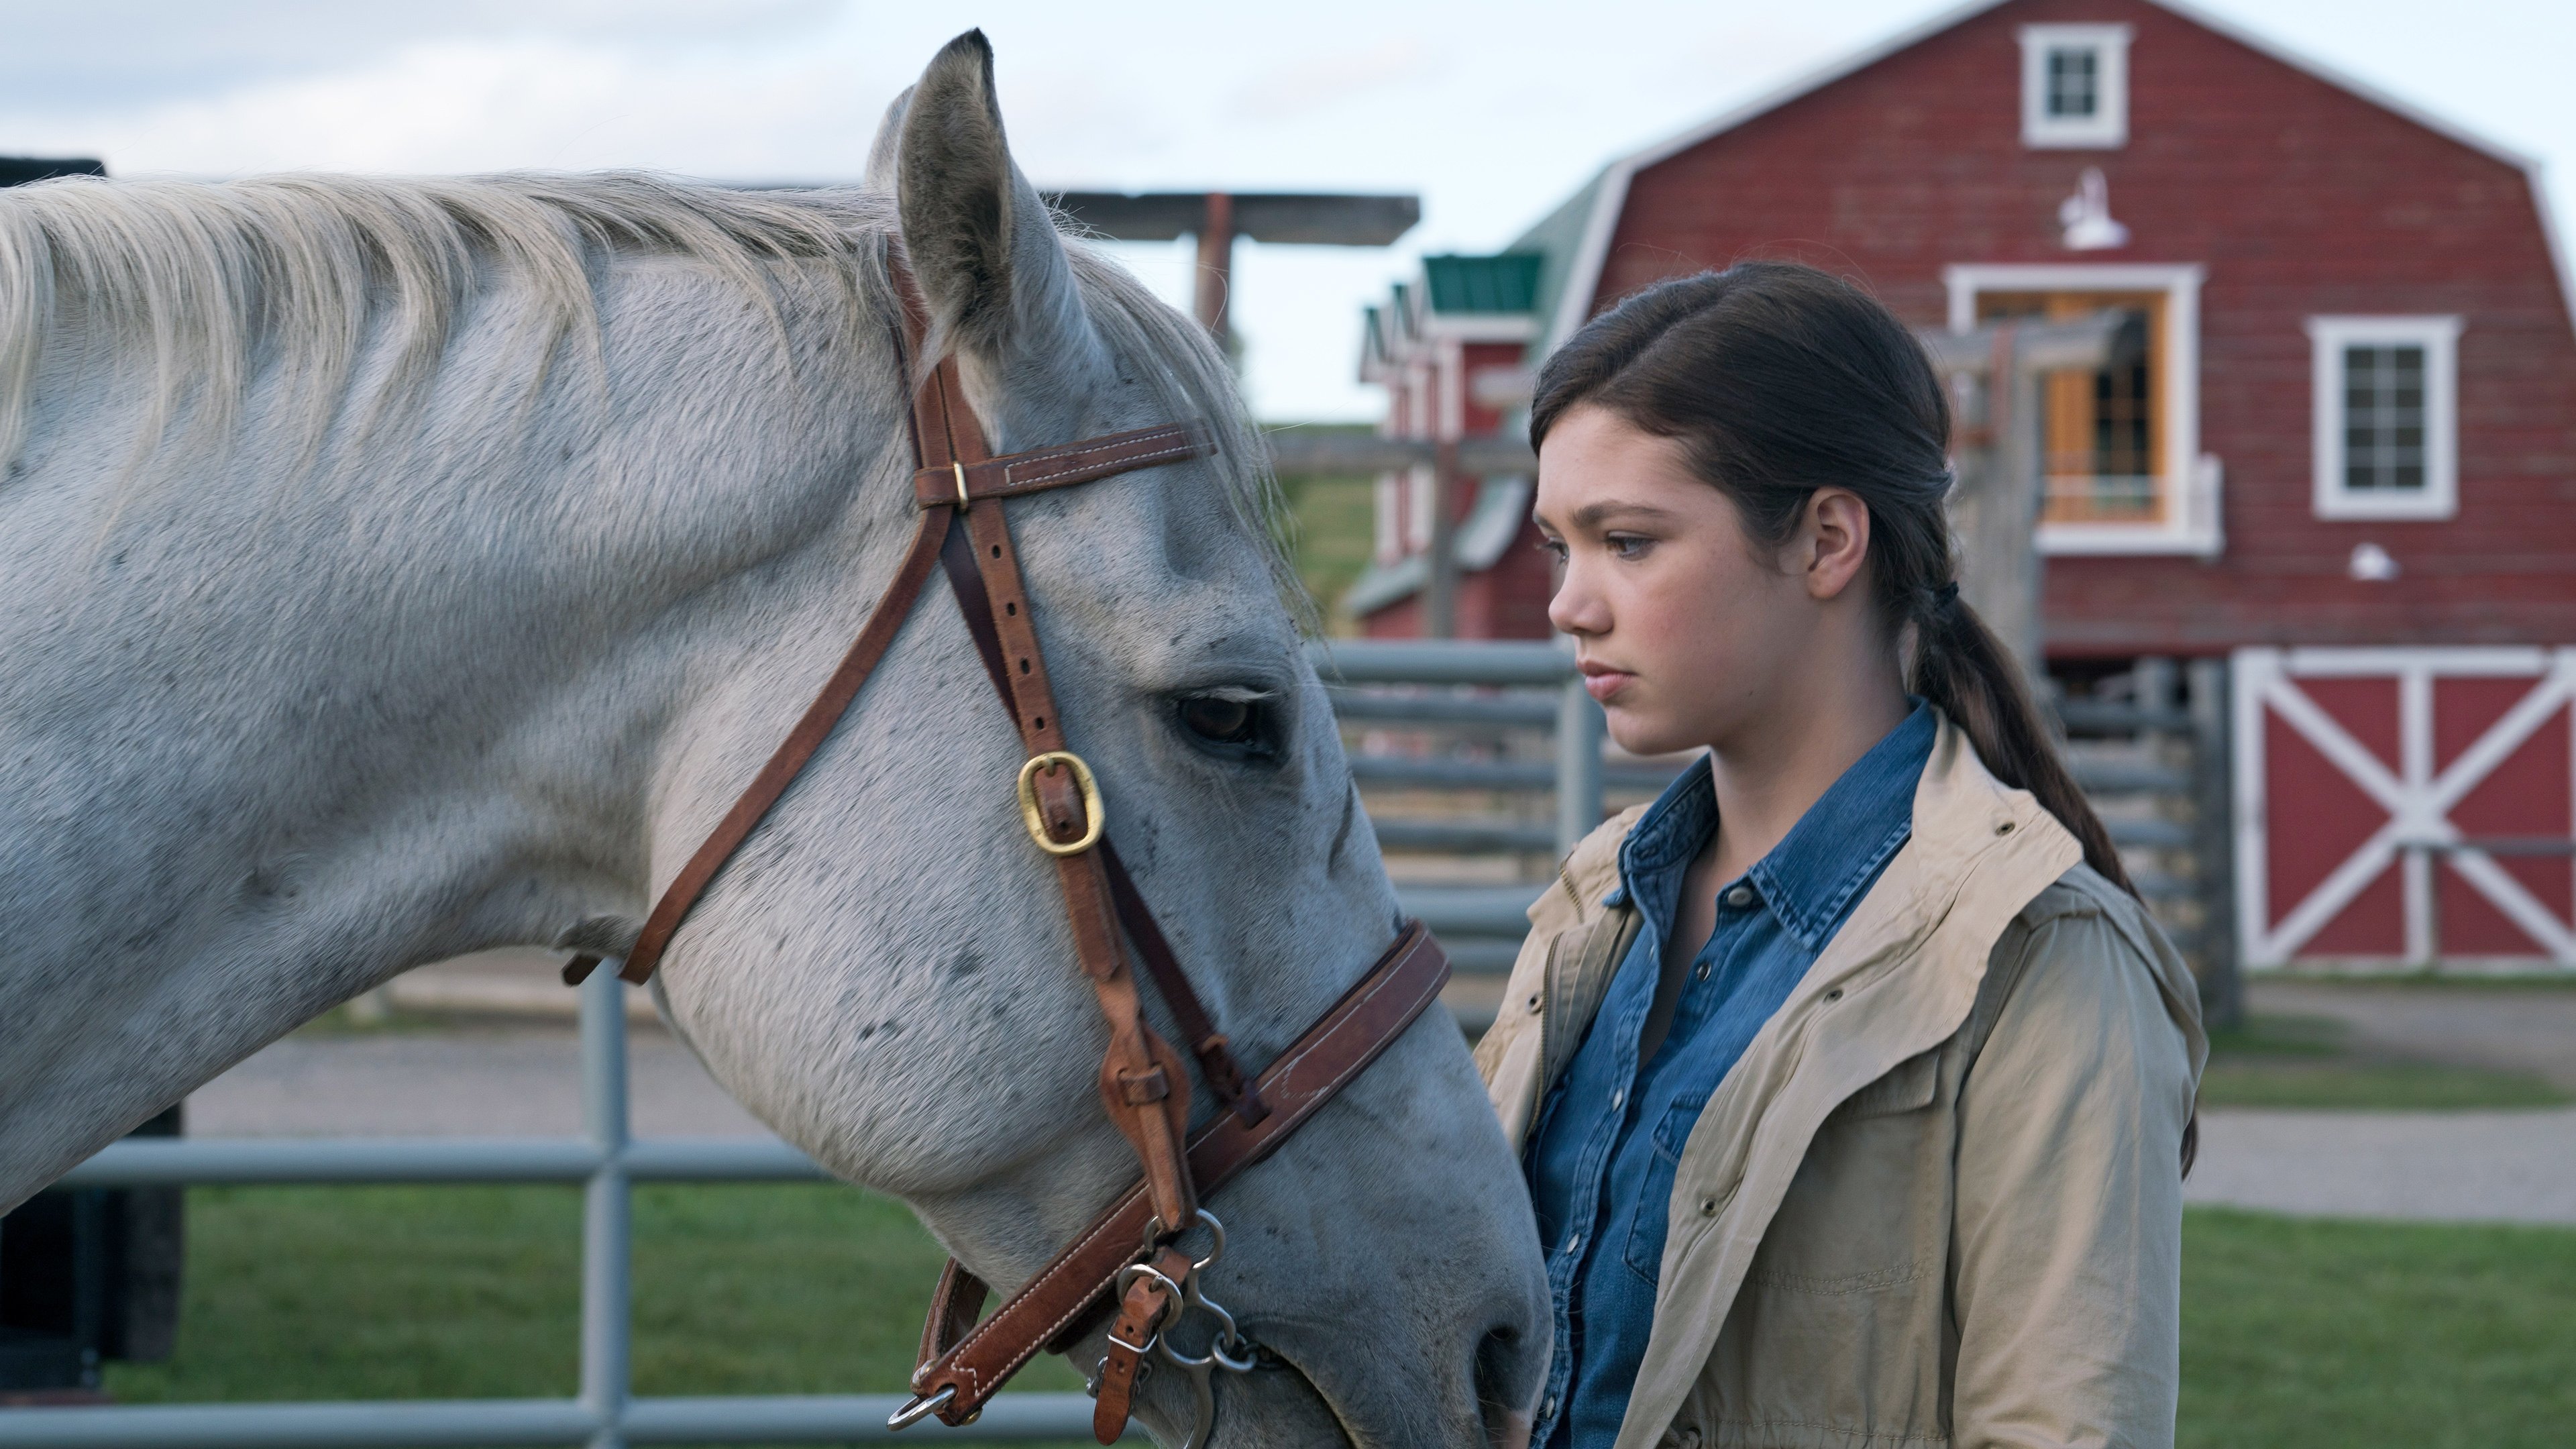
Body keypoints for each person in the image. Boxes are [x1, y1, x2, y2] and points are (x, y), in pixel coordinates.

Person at [1473, 262, 2206, 1449]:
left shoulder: (2040, 960)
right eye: (1561, 546)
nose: (1569, 603)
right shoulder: (1592, 911)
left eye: (1628, 541)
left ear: (1826, 540)